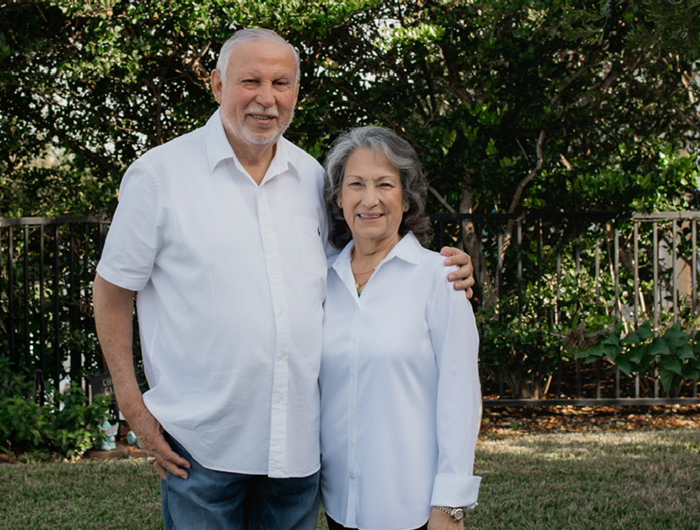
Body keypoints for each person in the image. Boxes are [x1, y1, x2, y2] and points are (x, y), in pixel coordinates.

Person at [92, 28, 474, 530]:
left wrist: (443, 268)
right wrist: (132, 405)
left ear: (296, 92)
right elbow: (113, 289)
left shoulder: (312, 177)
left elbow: (365, 262)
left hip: (295, 452)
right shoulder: (160, 175)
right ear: (217, 84)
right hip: (201, 445)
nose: (266, 98)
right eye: (250, 81)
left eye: (281, 82)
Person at [319, 126, 482, 530]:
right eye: (355, 184)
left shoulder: (439, 278)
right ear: (339, 198)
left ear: (406, 198)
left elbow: (460, 397)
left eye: (384, 184)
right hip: (338, 504)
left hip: (411, 508)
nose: (369, 199)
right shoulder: (322, 281)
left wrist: (449, 505)